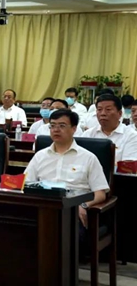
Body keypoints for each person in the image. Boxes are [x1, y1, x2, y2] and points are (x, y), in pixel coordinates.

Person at [25, 109, 109, 251]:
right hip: (43, 208)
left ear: (74, 129)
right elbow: (25, 184)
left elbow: (100, 193)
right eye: (52, 125)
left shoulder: (88, 158)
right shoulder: (40, 156)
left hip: (72, 211)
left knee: (64, 235)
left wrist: (82, 205)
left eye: (62, 125)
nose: (56, 129)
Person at [82, 94, 137, 163]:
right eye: (99, 109)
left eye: (108, 109)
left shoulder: (132, 136)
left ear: (120, 113)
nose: (103, 113)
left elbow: (128, 165)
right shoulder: (87, 135)